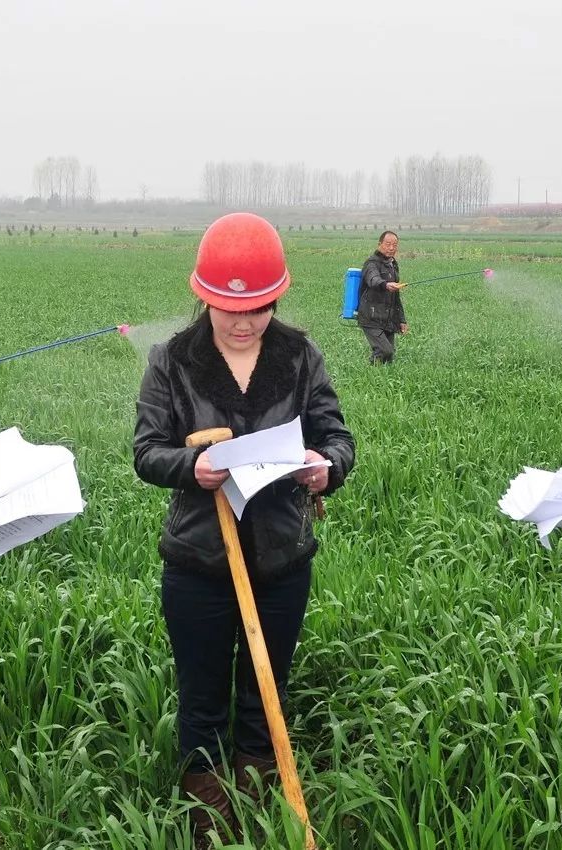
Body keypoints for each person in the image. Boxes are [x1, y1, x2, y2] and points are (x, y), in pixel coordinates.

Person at [134, 212, 355, 845]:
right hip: (200, 560)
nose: (243, 321)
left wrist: (325, 467)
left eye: (257, 308)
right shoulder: (173, 360)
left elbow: (336, 435)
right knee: (202, 698)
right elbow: (147, 450)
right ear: (202, 297)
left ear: (276, 298)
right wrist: (190, 466)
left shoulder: (299, 355)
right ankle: (206, 815)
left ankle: (258, 795)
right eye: (229, 309)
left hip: (281, 556)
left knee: (265, 688)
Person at [357, 230, 407, 364]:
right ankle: (368, 375)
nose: (391, 248)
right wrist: (385, 284)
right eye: (388, 244)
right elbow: (373, 280)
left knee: (389, 357)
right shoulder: (371, 264)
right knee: (385, 351)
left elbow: (396, 298)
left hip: (387, 318)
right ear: (380, 244)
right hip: (371, 317)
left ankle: (380, 381)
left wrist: (402, 320)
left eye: (395, 245)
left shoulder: (392, 265)